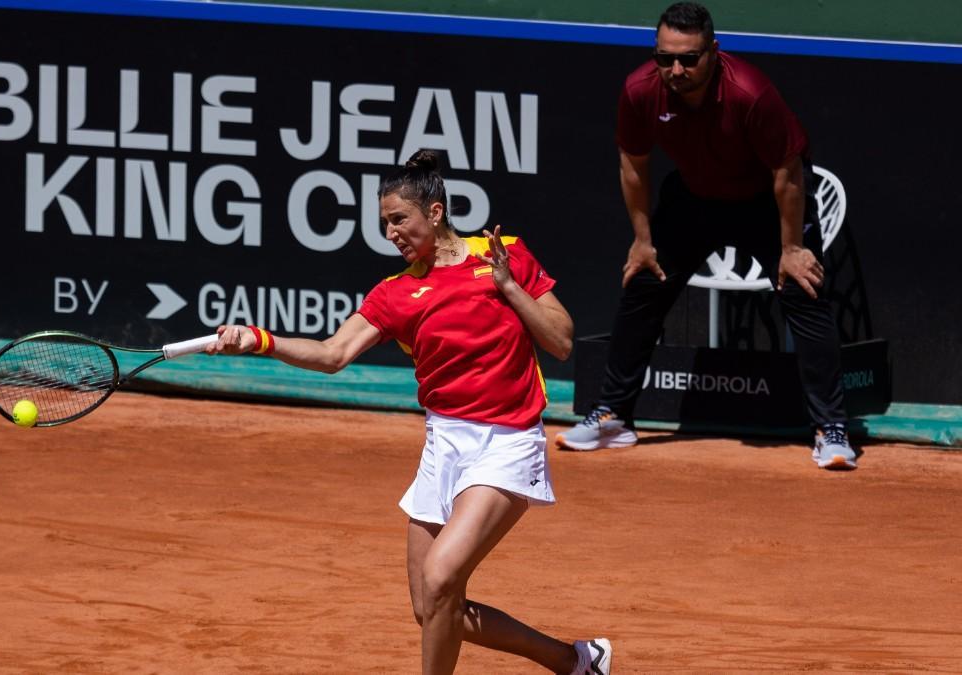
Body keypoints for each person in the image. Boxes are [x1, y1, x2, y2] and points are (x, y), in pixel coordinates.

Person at [207, 150, 612, 674]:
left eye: (400, 219)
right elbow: (333, 354)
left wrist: (508, 285)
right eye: (384, 225)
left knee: (443, 577)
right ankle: (576, 661)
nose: (392, 233)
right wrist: (260, 340)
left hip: (507, 440)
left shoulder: (504, 254)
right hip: (443, 444)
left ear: (436, 212)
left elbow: (560, 342)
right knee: (431, 609)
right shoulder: (396, 293)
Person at [558, 1, 857, 470]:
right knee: (643, 283)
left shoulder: (750, 94)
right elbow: (633, 167)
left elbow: (788, 172)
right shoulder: (640, 91)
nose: (675, 69)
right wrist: (642, 239)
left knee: (804, 289)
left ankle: (831, 429)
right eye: (664, 57)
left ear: (713, 52)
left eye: (689, 59)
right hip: (694, 199)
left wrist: (792, 248)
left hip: (764, 200)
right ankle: (614, 416)